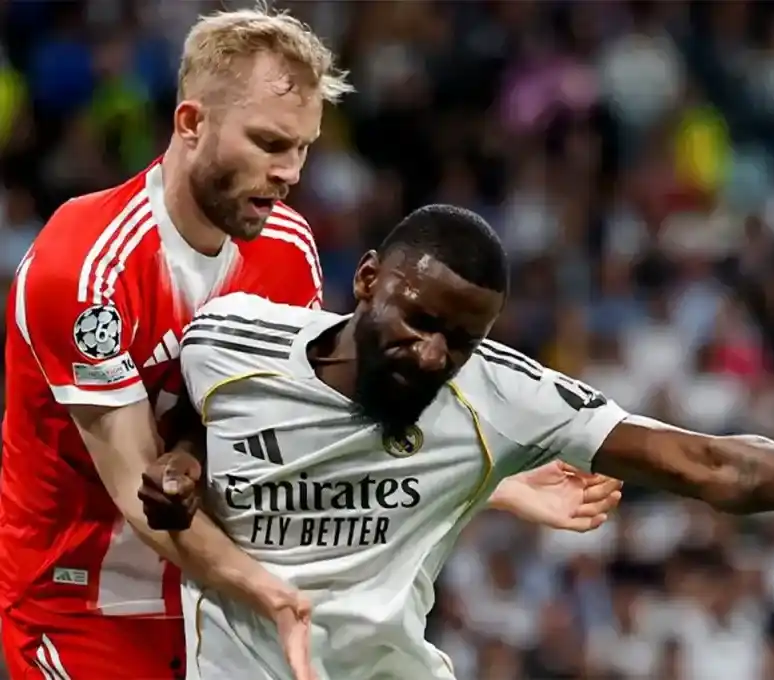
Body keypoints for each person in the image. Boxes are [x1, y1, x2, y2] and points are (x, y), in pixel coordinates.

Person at [0, 9, 620, 679]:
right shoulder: (88, 267)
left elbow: (300, 434)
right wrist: (272, 596)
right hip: (83, 601)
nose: (289, 172)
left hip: (216, 600)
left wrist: (486, 482)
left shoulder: (287, 245)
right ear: (190, 124)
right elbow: (139, 495)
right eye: (269, 144)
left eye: (302, 148)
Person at [147, 203, 774, 680]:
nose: (435, 356)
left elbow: (707, 463)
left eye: (462, 339)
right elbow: (192, 415)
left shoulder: (498, 393)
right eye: (419, 321)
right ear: (368, 280)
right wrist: (180, 461)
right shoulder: (230, 338)